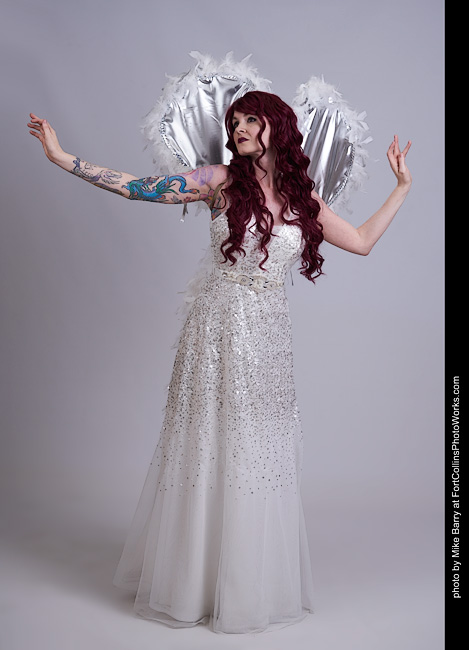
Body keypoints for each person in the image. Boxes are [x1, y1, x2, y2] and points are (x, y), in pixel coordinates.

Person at [28, 91, 411, 635]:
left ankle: (245, 584)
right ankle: (194, 584)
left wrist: (402, 188)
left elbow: (363, 241)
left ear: (278, 126)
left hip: (269, 339)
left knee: (258, 452)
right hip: (216, 332)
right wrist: (62, 157)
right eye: (234, 122)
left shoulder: (303, 198)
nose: (240, 129)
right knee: (209, 444)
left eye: (252, 119)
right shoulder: (219, 181)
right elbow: (138, 187)